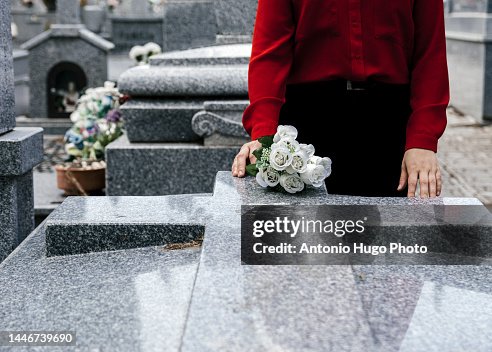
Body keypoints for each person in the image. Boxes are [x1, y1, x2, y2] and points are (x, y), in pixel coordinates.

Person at [232, 0, 449, 198]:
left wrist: (422, 140)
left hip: (387, 125)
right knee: (304, 235)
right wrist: (264, 136)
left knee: (388, 237)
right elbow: (270, 53)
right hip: (308, 124)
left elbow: (430, 54)